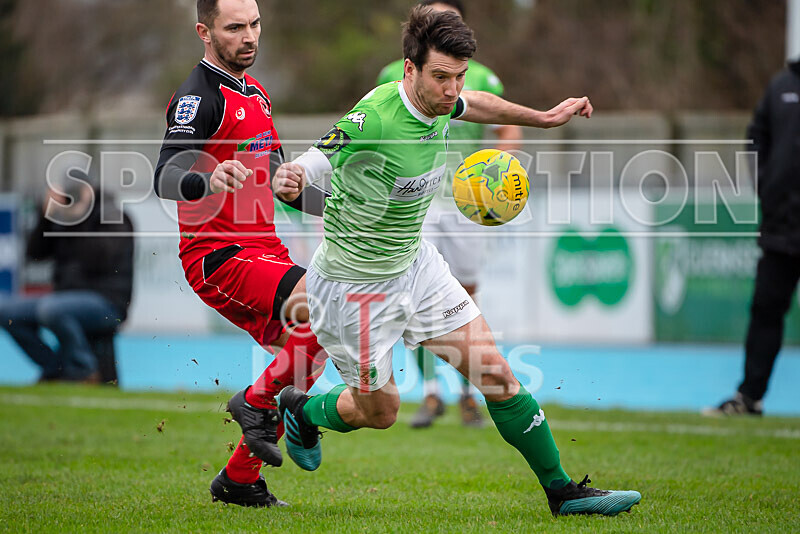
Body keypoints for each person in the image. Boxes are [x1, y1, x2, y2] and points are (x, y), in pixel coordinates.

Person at [268, 6, 641, 517]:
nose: (450, 90)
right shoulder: (376, 114)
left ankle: (563, 492)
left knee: (498, 375)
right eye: (440, 77)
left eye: (457, 77)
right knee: (381, 413)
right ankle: (305, 411)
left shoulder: (444, 99)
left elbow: (477, 104)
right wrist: (293, 175)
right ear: (409, 69)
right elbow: (321, 153)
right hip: (353, 288)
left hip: (416, 268)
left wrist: (544, 116)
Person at [154, 0, 331, 508]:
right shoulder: (197, 96)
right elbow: (164, 176)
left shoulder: (257, 94)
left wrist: (344, 209)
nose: (249, 36)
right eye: (235, 28)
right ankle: (253, 404)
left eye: (255, 24)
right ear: (204, 32)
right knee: (321, 307)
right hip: (219, 254)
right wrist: (206, 176)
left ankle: (238, 479)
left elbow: (283, 187)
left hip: (263, 248)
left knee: (312, 351)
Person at [376, 0, 522, 430]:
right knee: (413, 298)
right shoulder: (394, 74)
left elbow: (506, 128)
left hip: (465, 207)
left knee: (465, 295)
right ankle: (432, 394)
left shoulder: (479, 76)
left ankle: (466, 395)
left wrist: (494, 173)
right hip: (416, 203)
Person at [705, 57, 800, 416]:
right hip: (781, 225)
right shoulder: (782, 87)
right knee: (765, 309)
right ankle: (750, 397)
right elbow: (757, 135)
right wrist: (767, 186)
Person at [0, 170, 133, 383]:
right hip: (63, 300)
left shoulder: (113, 216)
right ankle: (56, 368)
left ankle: (84, 370)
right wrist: (46, 217)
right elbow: (34, 254)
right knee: (7, 312)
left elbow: (99, 260)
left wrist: (78, 218)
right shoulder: (62, 218)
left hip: (106, 302)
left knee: (51, 309)